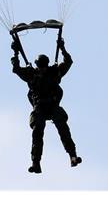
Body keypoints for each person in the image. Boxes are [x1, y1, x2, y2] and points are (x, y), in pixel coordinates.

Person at [11, 35, 82, 173]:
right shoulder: (32, 74)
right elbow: (16, 69)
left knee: (63, 127)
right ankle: (35, 163)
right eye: (40, 67)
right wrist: (16, 52)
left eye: (44, 67)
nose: (43, 69)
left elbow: (69, 61)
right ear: (37, 66)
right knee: (37, 132)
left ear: (47, 65)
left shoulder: (55, 72)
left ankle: (73, 156)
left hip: (53, 106)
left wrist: (62, 48)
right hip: (40, 108)